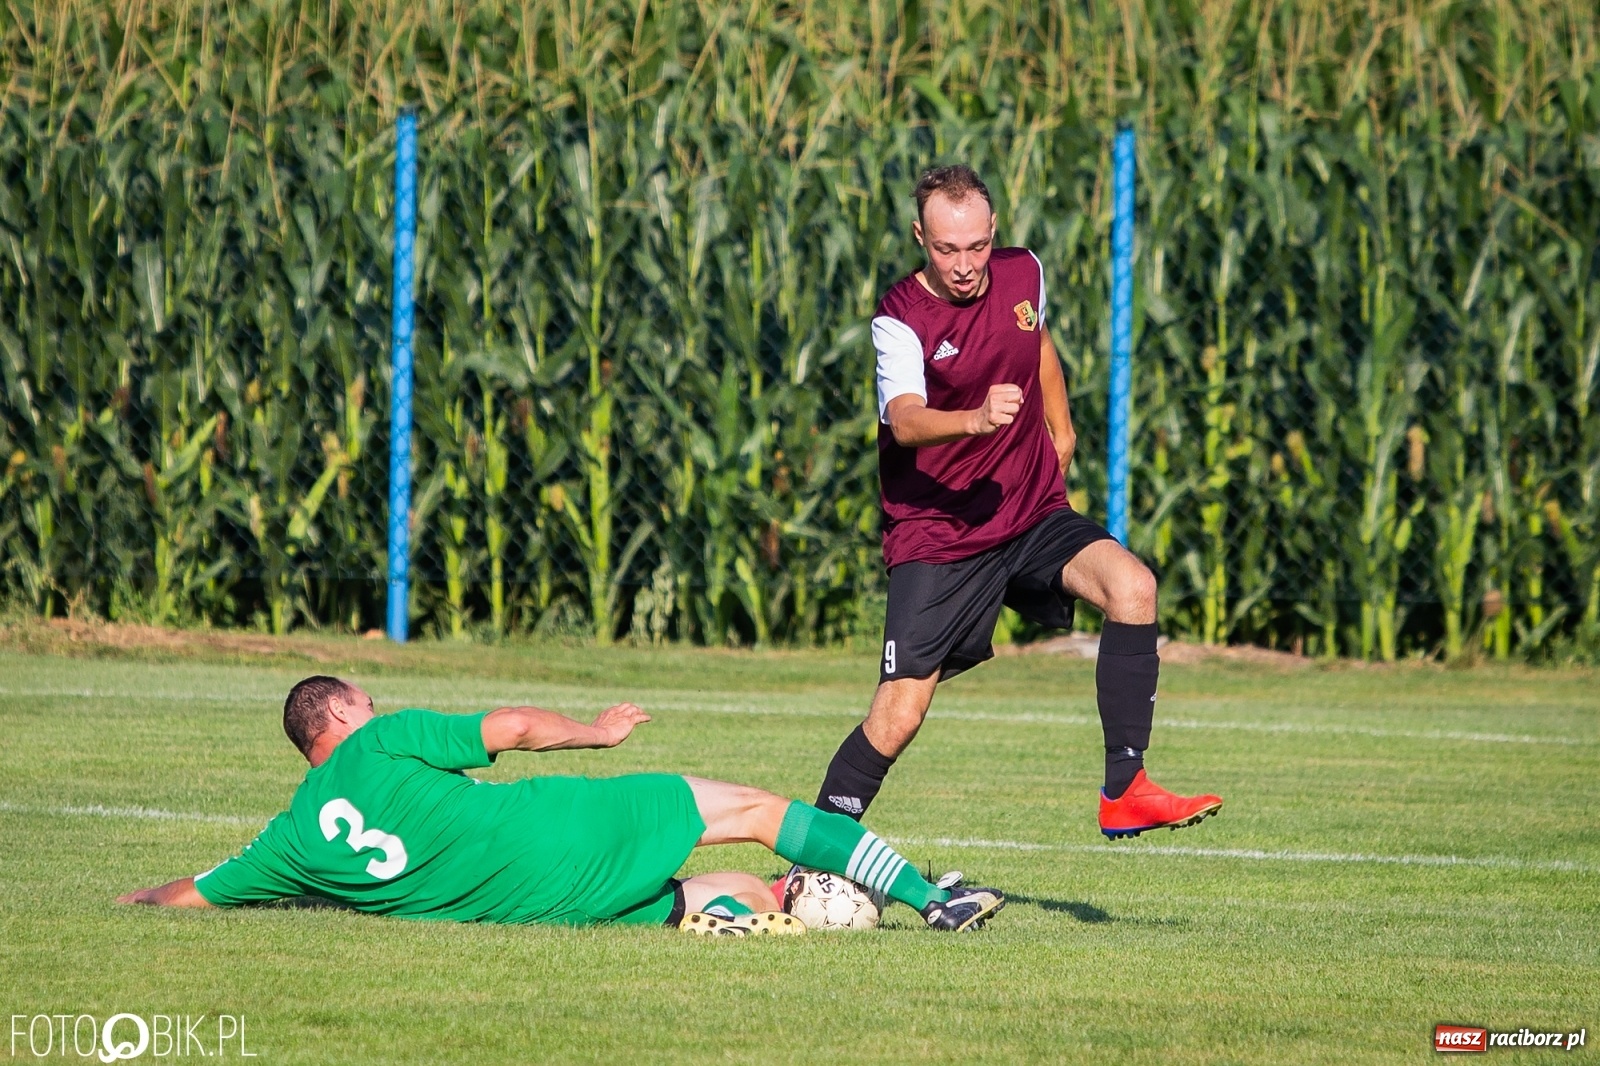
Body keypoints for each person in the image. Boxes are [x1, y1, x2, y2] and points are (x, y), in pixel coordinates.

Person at [809, 165, 1222, 841]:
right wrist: (973, 419)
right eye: (946, 249)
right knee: (900, 714)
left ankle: (1125, 788)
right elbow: (906, 421)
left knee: (1133, 587)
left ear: (993, 232)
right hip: (940, 532)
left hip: (1027, 507)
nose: (964, 264)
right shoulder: (899, 319)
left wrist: (1062, 429)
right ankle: (814, 853)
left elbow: (1037, 347)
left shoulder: (1024, 272)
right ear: (921, 237)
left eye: (975, 247)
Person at [117, 676, 1003, 934]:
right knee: (758, 810)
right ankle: (933, 900)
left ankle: (780, 908)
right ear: (343, 715)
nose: (377, 710)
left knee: (709, 892)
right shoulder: (379, 741)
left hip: (547, 912)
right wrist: (598, 733)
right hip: (564, 831)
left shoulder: (292, 840)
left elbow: (186, 895)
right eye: (368, 701)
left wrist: (128, 902)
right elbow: (506, 726)